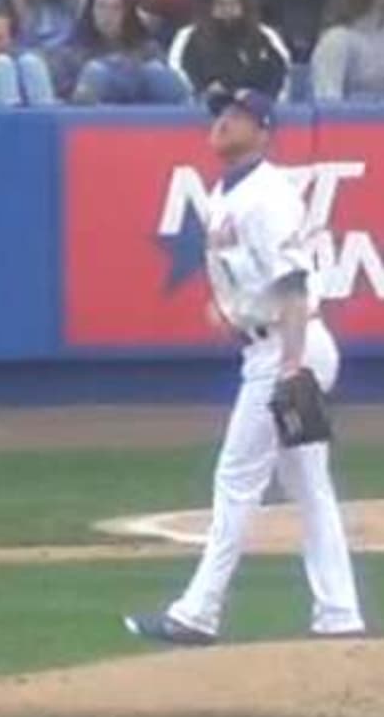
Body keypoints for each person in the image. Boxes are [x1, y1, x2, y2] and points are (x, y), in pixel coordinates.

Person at [124, 87, 367, 647]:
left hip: (288, 352)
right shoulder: (227, 192)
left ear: (263, 131)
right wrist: (232, 307)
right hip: (281, 347)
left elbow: (294, 282)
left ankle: (197, 613)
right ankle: (340, 614)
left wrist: (290, 365)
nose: (221, 124)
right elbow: (256, 276)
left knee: (237, 479)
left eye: (236, 117)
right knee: (309, 484)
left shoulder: (268, 196)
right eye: (219, 116)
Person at [60, 0, 189, 102]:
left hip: (144, 120)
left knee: (155, 71)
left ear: (127, 14)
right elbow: (64, 95)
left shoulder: (149, 50)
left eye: (116, 8)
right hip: (92, 121)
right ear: (90, 12)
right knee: (95, 73)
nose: (107, 14)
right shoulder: (71, 54)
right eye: (101, 7)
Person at [168, 0, 292, 96]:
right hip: (203, 108)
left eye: (233, 4)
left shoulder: (264, 35)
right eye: (221, 4)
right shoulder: (188, 36)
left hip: (258, 108)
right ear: (209, 7)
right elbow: (178, 74)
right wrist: (202, 91)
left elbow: (281, 73)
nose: (228, 10)